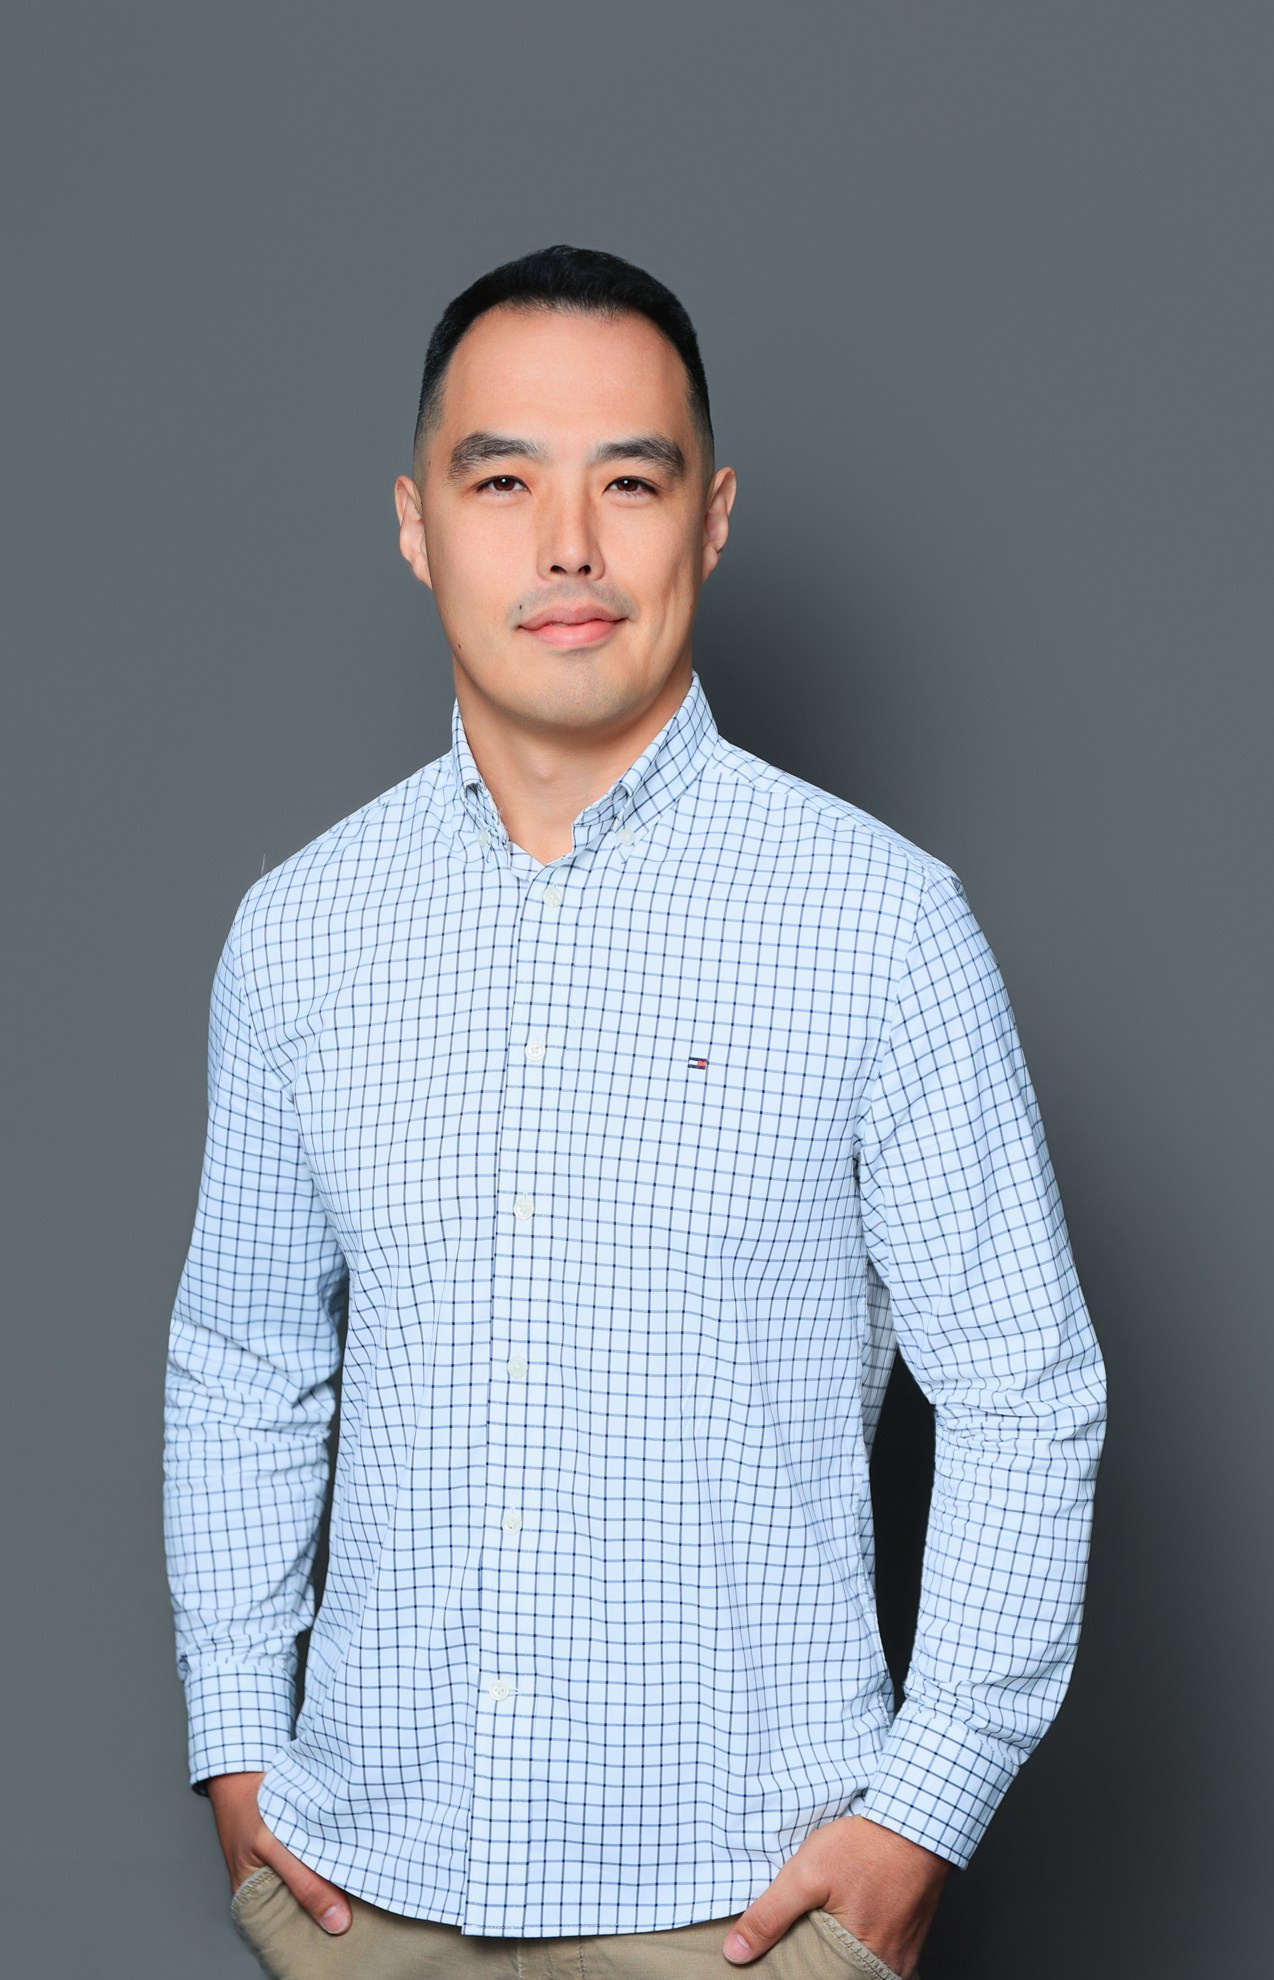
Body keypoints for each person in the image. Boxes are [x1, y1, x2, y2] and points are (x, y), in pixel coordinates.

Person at [165, 244, 1106, 1980]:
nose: (567, 546)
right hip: (366, 1897)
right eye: (500, 481)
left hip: (740, 1913)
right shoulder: (297, 934)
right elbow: (241, 1359)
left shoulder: (879, 928)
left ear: (711, 519)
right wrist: (236, 1736)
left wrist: (923, 1812)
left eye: (630, 482)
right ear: (415, 524)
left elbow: (1021, 1392)